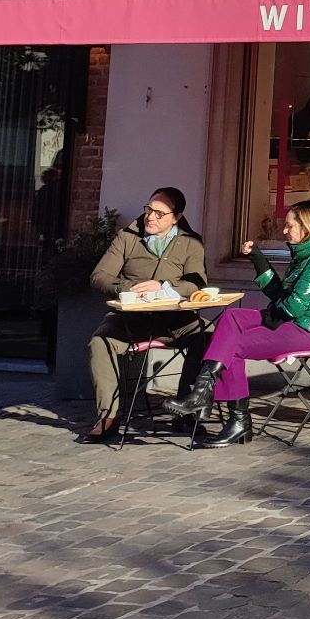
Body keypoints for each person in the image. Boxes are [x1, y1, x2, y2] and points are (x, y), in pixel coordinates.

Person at [164, 201, 310, 448]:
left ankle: (236, 419)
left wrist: (270, 317)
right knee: (232, 318)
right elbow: (281, 295)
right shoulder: (305, 252)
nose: (284, 231)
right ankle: (203, 394)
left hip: (308, 330)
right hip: (289, 320)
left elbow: (294, 307)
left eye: (289, 226)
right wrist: (258, 258)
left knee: (233, 346)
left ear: (307, 227)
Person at [79, 187, 207, 444]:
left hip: (175, 320)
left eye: (160, 213)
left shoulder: (191, 242)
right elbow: (99, 277)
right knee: (99, 342)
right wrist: (130, 288)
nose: (150, 217)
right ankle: (108, 417)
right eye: (149, 209)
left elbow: (197, 283)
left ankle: (185, 411)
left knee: (210, 337)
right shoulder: (127, 237)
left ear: (176, 217)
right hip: (131, 320)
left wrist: (164, 286)